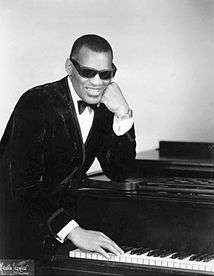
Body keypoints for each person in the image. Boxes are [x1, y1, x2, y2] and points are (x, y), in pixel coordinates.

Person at [0, 34, 136, 260]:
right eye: (87, 72)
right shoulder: (36, 102)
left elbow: (119, 171)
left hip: (61, 231)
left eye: (105, 75)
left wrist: (123, 113)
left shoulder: (105, 108)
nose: (96, 82)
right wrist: (74, 231)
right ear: (69, 67)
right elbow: (23, 187)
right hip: (13, 233)